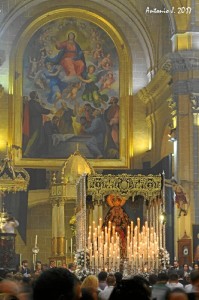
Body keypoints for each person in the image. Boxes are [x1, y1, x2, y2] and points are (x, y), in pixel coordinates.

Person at [23, 91, 52, 157]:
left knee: (37, 138)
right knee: (34, 137)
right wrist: (50, 111)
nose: (38, 96)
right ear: (35, 96)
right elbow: (40, 110)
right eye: (37, 95)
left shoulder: (31, 103)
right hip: (35, 123)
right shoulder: (34, 103)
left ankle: (32, 152)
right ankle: (27, 152)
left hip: (35, 122)